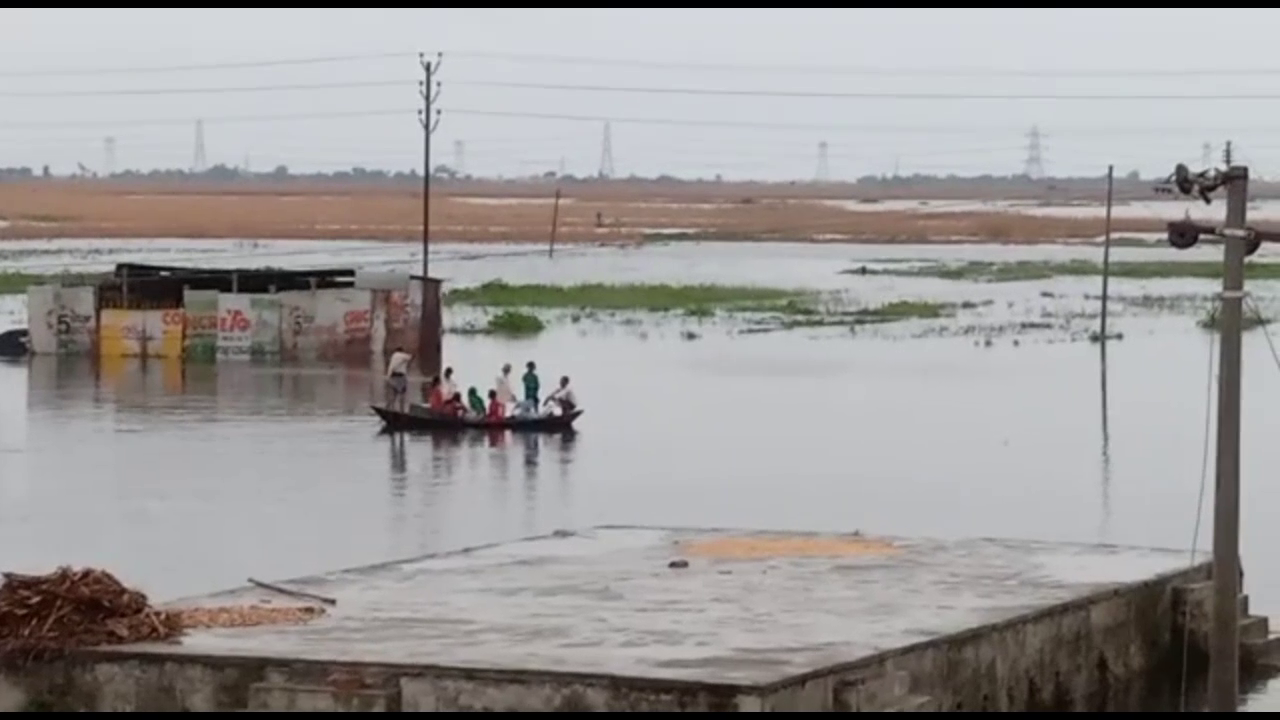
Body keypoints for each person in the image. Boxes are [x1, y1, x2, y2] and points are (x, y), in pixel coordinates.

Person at [384, 346, 413, 412]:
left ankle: (390, 408)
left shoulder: (393, 356)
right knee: (402, 394)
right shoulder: (402, 355)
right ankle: (401, 410)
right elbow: (410, 357)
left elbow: (390, 368)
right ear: (401, 351)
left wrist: (388, 377)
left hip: (393, 377)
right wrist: (411, 355)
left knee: (394, 394)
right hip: (401, 377)